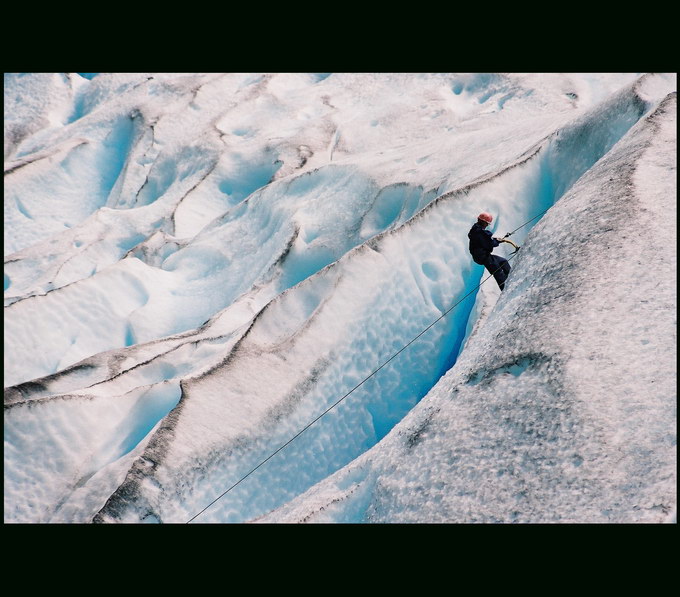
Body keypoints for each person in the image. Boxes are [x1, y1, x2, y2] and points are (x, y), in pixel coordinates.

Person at [468, 212, 511, 291]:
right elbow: (489, 244)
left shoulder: (476, 230)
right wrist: (497, 241)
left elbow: (485, 241)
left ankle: (511, 278)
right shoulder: (480, 232)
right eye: (487, 223)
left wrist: (496, 240)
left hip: (482, 256)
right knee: (498, 272)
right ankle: (505, 290)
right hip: (483, 257)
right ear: (483, 222)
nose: (487, 225)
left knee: (503, 262)